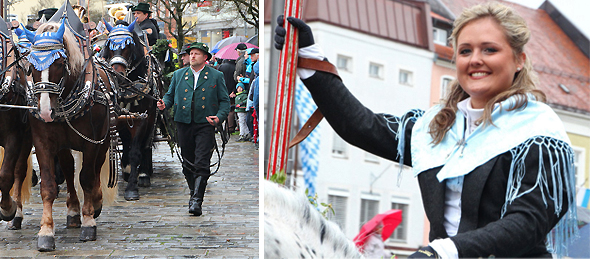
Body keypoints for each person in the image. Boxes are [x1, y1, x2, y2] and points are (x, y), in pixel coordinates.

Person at [274, 2, 578, 258]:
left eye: (490, 49)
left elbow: (528, 222)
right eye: (465, 50)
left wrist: (443, 251)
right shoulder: (436, 127)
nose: (475, 60)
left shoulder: (540, 133)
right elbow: (361, 126)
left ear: (519, 60)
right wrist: (310, 58)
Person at [157, 42, 229, 216]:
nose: (192, 56)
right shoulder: (179, 75)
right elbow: (170, 95)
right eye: (191, 53)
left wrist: (219, 117)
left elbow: (225, 102)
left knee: (202, 162)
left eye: (197, 53)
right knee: (187, 163)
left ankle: (197, 199)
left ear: (205, 57)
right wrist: (164, 104)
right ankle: (193, 192)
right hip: (183, 123)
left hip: (205, 124)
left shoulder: (216, 76)